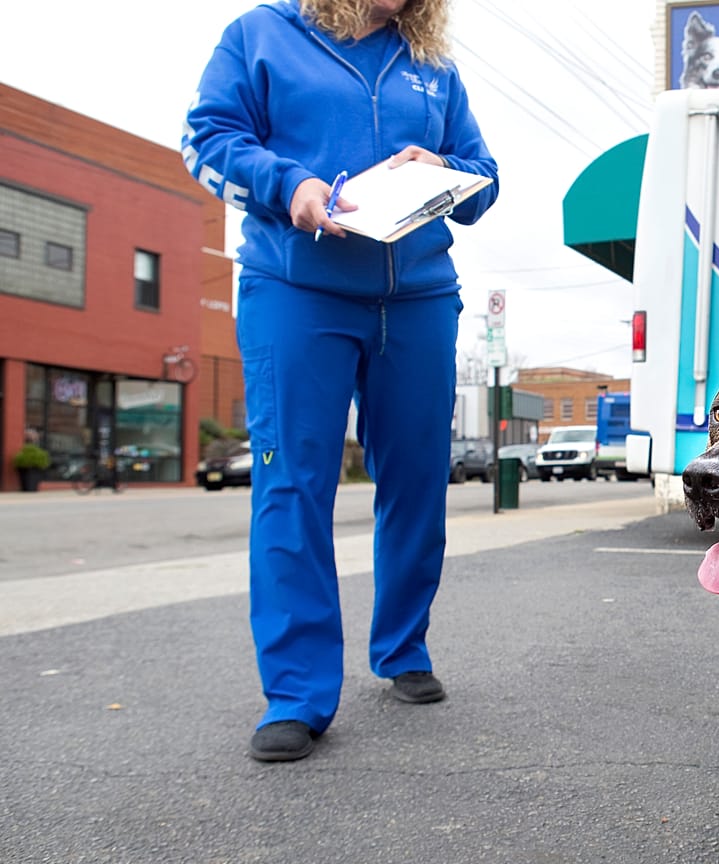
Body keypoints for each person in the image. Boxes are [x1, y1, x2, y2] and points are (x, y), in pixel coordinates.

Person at [183, 0, 499, 762]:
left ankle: (403, 648)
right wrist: (287, 184)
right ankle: (296, 692)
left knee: (418, 481)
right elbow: (207, 140)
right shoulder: (261, 36)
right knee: (293, 483)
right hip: (297, 290)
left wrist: (449, 172)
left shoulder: (432, 65)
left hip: (418, 298)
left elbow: (484, 184)